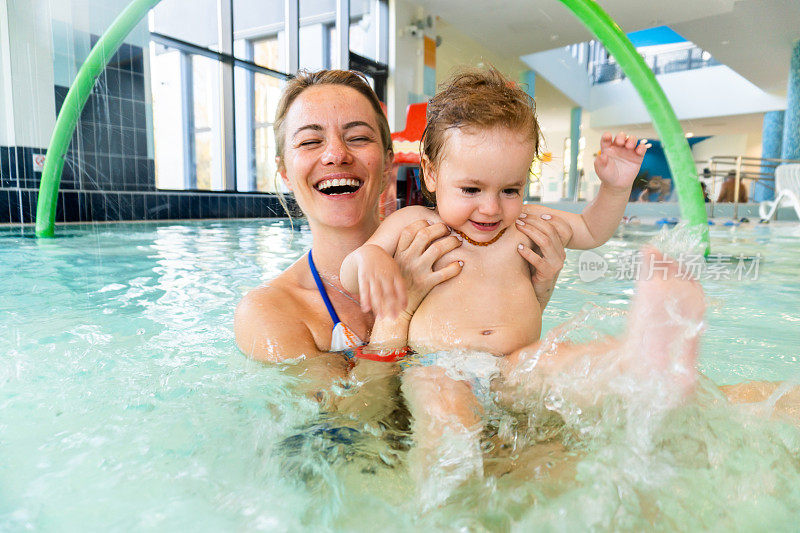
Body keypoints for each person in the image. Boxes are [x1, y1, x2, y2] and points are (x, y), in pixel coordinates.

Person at [338, 67, 650, 499]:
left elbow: (592, 231)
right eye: (470, 189)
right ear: (431, 174)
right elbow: (350, 273)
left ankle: (649, 370)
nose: (490, 208)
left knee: (577, 364)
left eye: (510, 189)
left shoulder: (528, 223)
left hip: (516, 365)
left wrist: (614, 189)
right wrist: (371, 258)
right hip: (439, 367)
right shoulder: (415, 223)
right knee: (449, 420)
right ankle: (445, 503)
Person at [233, 69, 568, 419]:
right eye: (310, 141)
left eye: (358, 137)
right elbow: (348, 429)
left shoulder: (462, 244)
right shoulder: (270, 313)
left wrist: (535, 295)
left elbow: (496, 369)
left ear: (389, 160)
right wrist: (399, 313)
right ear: (285, 171)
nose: (336, 154)